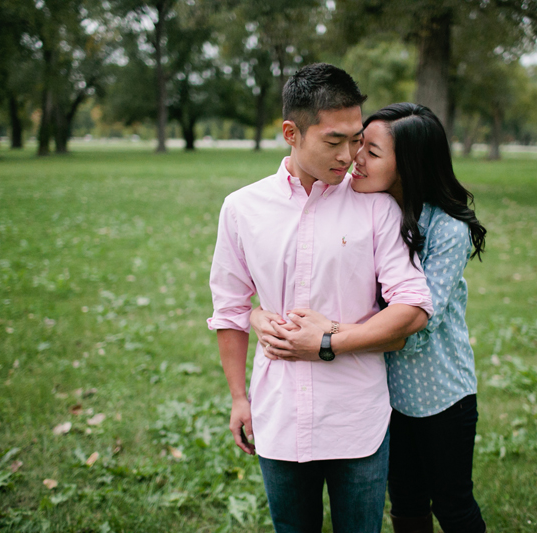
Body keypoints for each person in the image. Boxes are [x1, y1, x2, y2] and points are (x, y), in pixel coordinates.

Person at [207, 65, 433, 533]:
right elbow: (229, 308)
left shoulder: (376, 206)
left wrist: (326, 342)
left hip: (357, 418)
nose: (350, 156)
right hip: (279, 413)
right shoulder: (242, 208)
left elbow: (413, 307)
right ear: (292, 132)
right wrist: (238, 397)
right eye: (334, 142)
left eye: (356, 140)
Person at [254, 103, 488, 533]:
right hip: (381, 396)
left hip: (439, 396)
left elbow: (416, 328)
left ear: (409, 165)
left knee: (452, 503)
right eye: (359, 142)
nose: (354, 158)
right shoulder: (375, 209)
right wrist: (258, 313)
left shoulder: (446, 228)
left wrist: (329, 334)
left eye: (372, 152)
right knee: (406, 502)